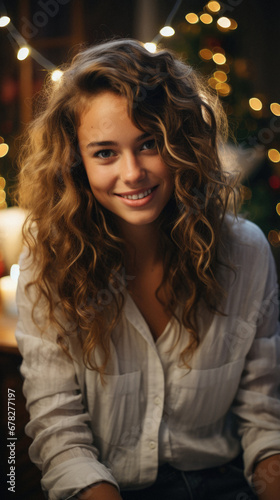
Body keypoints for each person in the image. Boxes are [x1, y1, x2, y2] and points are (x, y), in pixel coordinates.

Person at [15, 38, 280, 500]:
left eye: (150, 144)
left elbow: (264, 418)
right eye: (104, 153)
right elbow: (59, 436)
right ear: (75, 163)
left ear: (183, 145)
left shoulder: (245, 251)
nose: (133, 173)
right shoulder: (47, 266)